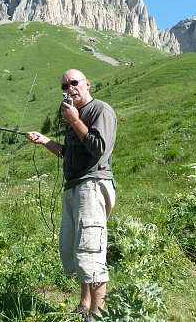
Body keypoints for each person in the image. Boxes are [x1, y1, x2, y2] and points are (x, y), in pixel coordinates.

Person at [26, 69, 117, 320]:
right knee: (79, 249)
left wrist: (75, 120)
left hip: (92, 185)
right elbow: (71, 152)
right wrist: (44, 140)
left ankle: (96, 317)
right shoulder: (72, 116)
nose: (69, 88)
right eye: (64, 85)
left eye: (74, 83)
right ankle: (84, 305)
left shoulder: (100, 110)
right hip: (74, 186)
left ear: (87, 83)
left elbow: (98, 149)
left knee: (91, 253)